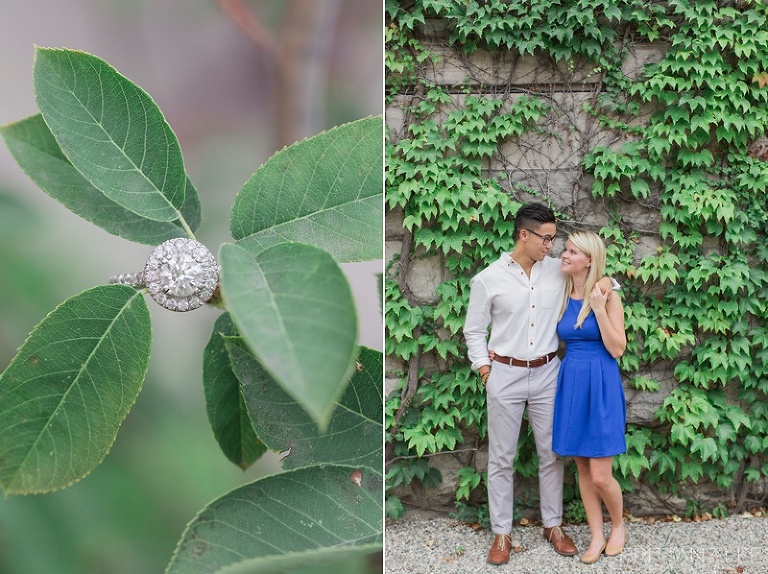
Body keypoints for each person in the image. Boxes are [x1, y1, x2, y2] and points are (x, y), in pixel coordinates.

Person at [463, 202, 579, 565]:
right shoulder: (488, 279)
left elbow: (590, 279)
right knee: (501, 458)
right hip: (505, 375)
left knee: (552, 453)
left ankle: (553, 525)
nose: (551, 245)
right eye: (545, 238)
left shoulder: (557, 274)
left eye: (554, 238)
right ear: (523, 235)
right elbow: (474, 331)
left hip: (547, 373)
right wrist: (485, 371)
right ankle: (501, 533)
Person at [552, 230, 627, 564]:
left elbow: (618, 348)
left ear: (590, 260)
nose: (564, 255)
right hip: (572, 381)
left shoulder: (607, 295)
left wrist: (597, 308)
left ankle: (619, 525)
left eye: (572, 251)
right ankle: (596, 535)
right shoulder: (563, 288)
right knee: (582, 467)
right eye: (565, 249)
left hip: (601, 380)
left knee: (600, 474)